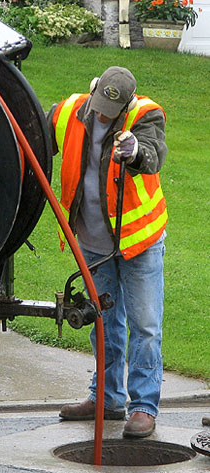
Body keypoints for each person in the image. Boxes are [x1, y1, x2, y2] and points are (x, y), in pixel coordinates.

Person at [47, 66, 168, 438]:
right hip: (94, 243)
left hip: (138, 243)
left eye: (110, 111)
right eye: (99, 105)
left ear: (126, 104)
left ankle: (144, 407)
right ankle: (106, 398)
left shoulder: (145, 115)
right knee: (104, 325)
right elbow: (30, 134)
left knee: (145, 326)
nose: (101, 115)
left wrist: (134, 153)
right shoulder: (69, 111)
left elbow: (153, 152)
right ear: (94, 90)